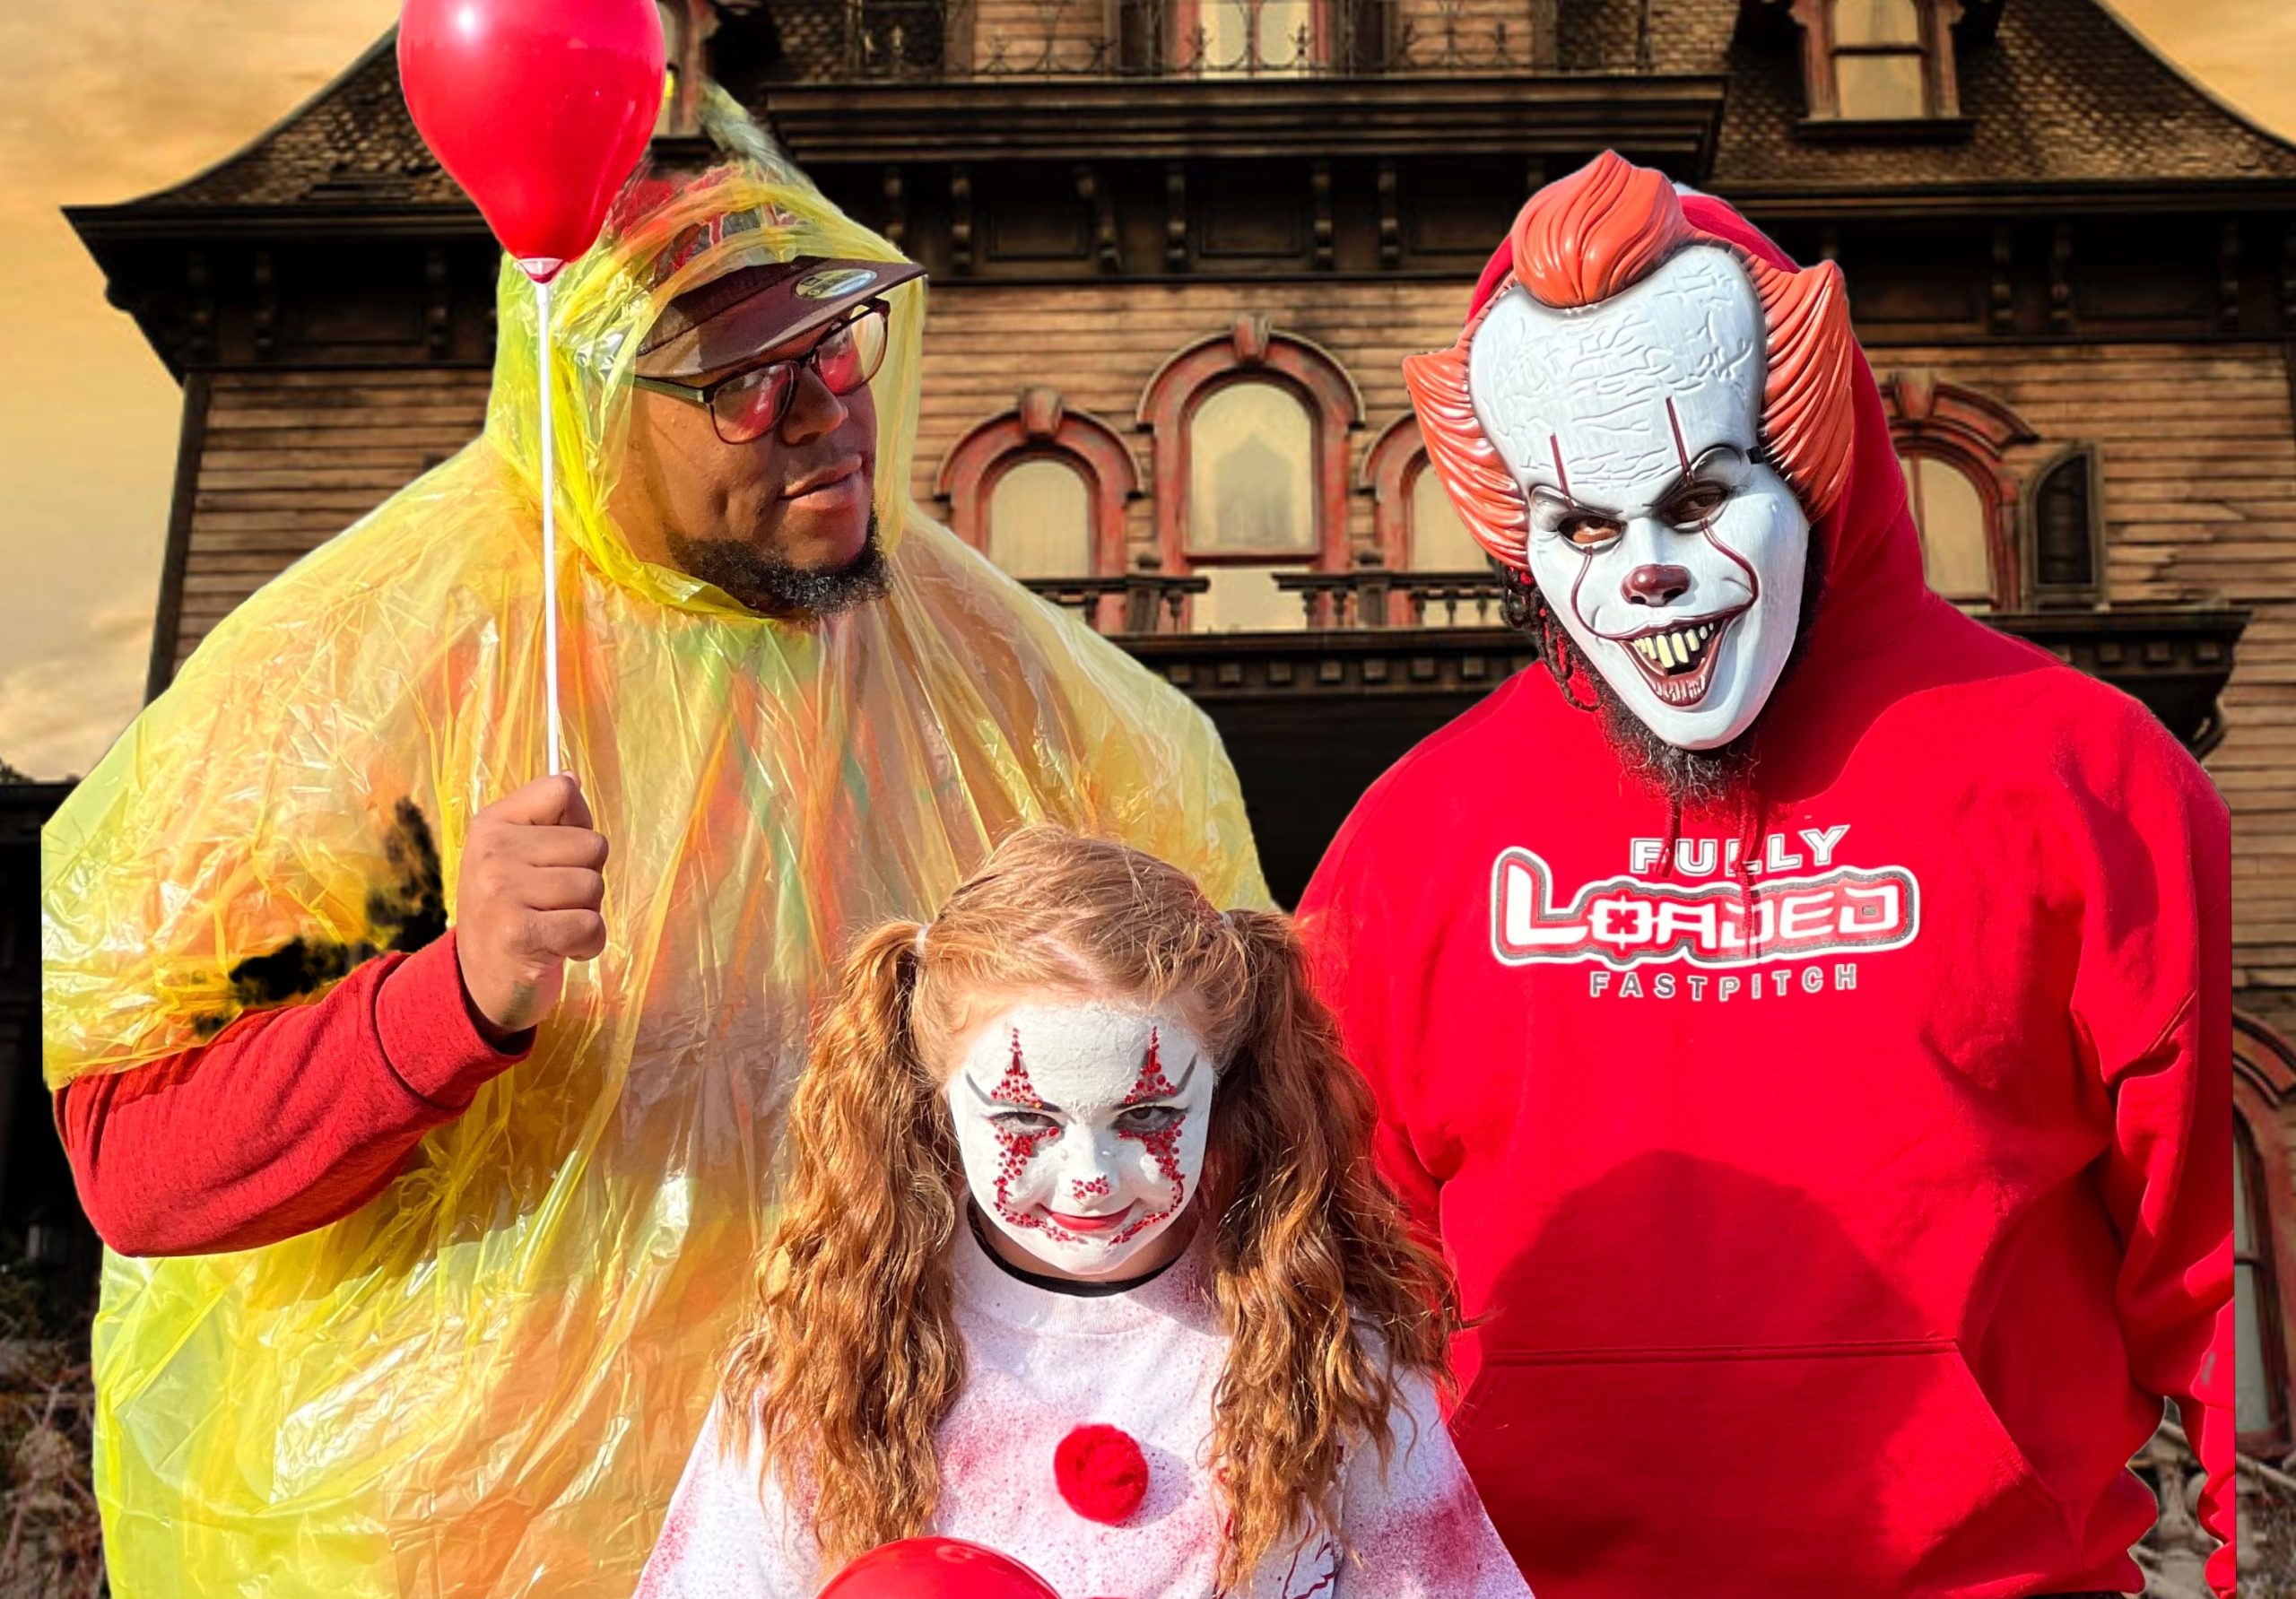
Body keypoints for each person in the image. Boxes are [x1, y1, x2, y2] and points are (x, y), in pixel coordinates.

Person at [41, 103, 1265, 1598]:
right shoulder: (362, 684)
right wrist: (454, 996)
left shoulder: (1031, 700)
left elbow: (1240, 1113)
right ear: (597, 404)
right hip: (472, 1549)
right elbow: (140, 1163)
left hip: (907, 1524)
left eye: (834, 344)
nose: (824, 410)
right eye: (743, 384)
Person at [1297, 152, 2232, 1599]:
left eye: (1701, 497)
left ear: (1814, 454)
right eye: (1587, 525)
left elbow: (2199, 1258)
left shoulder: (2083, 777)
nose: (1649, 573)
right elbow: (1338, 1282)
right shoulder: (1413, 835)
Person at [635, 828, 1531, 1599]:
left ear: (1221, 1091)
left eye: (1145, 1117)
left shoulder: (1322, 1346)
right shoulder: (829, 1360)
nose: (1091, 1176)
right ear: (935, 1101)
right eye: (1027, 1120)